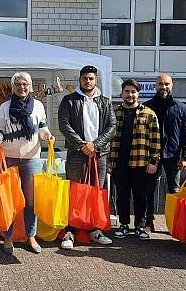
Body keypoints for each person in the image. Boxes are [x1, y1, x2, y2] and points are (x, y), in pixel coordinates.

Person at [0, 71, 55, 255]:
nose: (22, 87)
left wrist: (48, 136)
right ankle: (8, 237)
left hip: (32, 159)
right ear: (13, 87)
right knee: (9, 200)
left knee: (30, 201)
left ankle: (31, 236)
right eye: (19, 84)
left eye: (25, 84)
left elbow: (43, 128)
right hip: (10, 157)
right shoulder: (5, 107)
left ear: (30, 86)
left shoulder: (38, 106)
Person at [58, 65, 116, 249]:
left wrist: (95, 145)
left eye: (91, 78)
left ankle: (94, 230)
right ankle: (70, 232)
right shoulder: (69, 100)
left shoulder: (105, 102)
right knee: (75, 191)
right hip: (77, 153)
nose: (88, 81)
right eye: (85, 78)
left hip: (98, 154)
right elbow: (64, 125)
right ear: (80, 80)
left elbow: (112, 126)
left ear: (96, 80)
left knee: (94, 192)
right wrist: (82, 145)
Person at [108, 79, 160, 241]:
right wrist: (109, 160)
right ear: (122, 93)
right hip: (119, 162)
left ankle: (139, 226)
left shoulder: (149, 113)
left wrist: (154, 162)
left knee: (140, 196)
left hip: (141, 163)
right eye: (127, 91)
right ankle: (123, 225)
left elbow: (156, 140)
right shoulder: (114, 113)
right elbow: (109, 139)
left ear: (138, 94)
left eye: (133, 92)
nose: (130, 95)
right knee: (122, 196)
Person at [142, 74, 186, 234]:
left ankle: (174, 224)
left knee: (174, 191)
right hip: (151, 156)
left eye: (166, 84)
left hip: (173, 156)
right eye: (160, 84)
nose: (163, 87)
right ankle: (148, 222)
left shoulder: (181, 108)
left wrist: (185, 156)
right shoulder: (147, 107)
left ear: (172, 85)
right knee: (149, 189)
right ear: (155, 85)